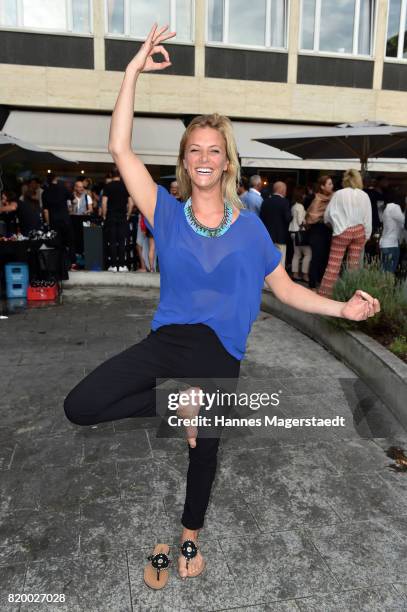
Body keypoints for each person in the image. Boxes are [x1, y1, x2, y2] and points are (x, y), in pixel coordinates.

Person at [63, 23, 380, 588]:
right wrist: (132, 71)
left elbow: (284, 290)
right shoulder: (163, 209)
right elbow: (119, 147)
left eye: (214, 150)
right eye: (194, 150)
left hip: (220, 350)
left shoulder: (253, 229)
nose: (204, 158)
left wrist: (343, 311)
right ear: (185, 162)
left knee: (204, 447)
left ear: (227, 162)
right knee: (81, 405)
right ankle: (173, 404)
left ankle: (189, 541)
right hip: (168, 341)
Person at [318, 169, 372, 297]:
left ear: (345, 180)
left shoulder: (339, 194)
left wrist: (336, 225)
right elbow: (368, 218)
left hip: (342, 231)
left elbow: (327, 215)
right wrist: (367, 235)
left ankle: (324, 295)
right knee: (354, 266)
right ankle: (351, 295)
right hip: (359, 231)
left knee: (333, 265)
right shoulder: (364, 195)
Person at [305, 175, 334, 291]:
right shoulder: (317, 199)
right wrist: (322, 218)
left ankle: (322, 283)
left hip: (327, 232)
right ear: (322, 186)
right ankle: (312, 284)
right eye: (329, 184)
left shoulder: (333, 198)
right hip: (317, 232)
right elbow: (311, 216)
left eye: (332, 183)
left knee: (325, 258)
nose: (332, 186)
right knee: (316, 257)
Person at [42, 174, 76, 268]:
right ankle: (72, 263)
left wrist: (49, 224)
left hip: (54, 221)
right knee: (70, 241)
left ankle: (59, 264)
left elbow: (45, 211)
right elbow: (74, 201)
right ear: (56, 179)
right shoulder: (63, 188)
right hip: (66, 220)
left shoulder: (45, 192)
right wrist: (71, 208)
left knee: (57, 244)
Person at [102, 167, 132, 272]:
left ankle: (114, 265)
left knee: (113, 241)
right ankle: (123, 265)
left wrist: (104, 215)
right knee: (121, 241)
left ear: (111, 175)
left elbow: (104, 202)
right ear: (120, 175)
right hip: (122, 217)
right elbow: (131, 202)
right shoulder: (125, 186)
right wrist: (128, 214)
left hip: (111, 217)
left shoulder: (108, 186)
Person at [259, 180, 292, 268]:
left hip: (267, 236)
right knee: (280, 262)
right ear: (282, 190)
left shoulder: (265, 202)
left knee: (267, 261)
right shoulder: (285, 202)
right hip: (281, 237)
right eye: (285, 189)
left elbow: (261, 219)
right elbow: (288, 218)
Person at [289, 186, 311, 282]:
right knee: (308, 254)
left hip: (293, 232)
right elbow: (300, 221)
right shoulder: (300, 207)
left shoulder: (294, 206)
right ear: (301, 195)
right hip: (300, 232)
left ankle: (295, 274)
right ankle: (305, 275)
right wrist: (307, 223)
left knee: (297, 254)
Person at [379, 192, 406, 273]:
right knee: (389, 272)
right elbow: (404, 221)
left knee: (384, 270)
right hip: (391, 245)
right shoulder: (394, 207)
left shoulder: (386, 209)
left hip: (386, 243)